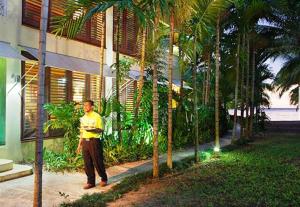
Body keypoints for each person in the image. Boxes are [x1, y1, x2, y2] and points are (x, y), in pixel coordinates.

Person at [76, 100, 108, 189]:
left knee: (97, 161)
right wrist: (79, 144)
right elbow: (82, 132)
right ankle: (90, 182)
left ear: (92, 107)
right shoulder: (83, 118)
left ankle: (104, 178)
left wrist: (92, 130)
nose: (85, 107)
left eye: (87, 105)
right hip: (85, 142)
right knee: (87, 163)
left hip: (94, 141)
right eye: (84, 106)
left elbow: (101, 130)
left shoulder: (97, 116)